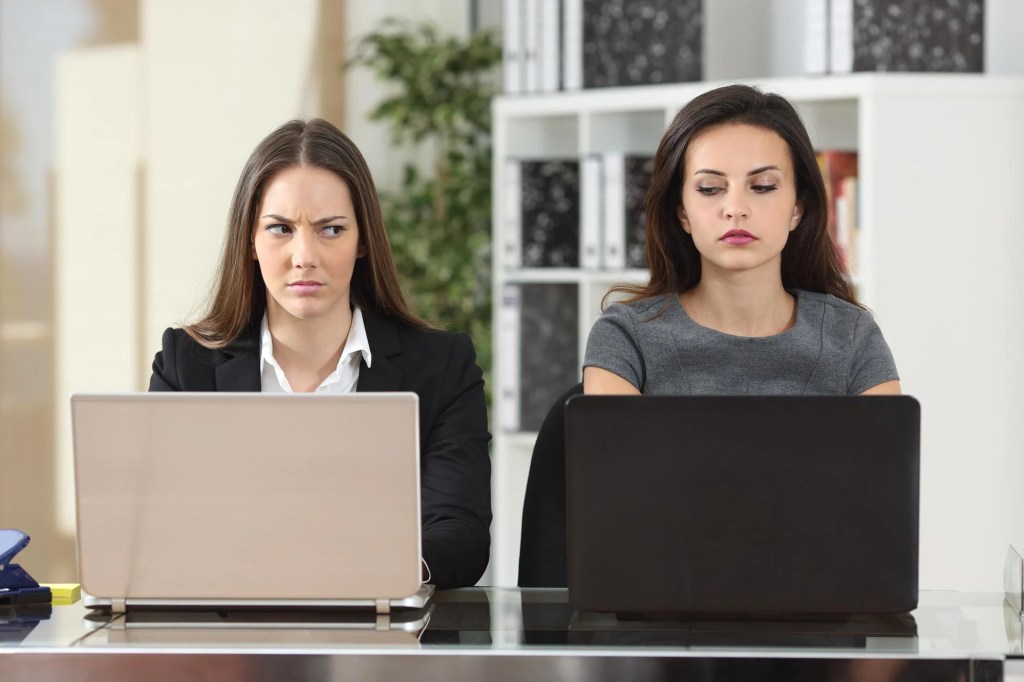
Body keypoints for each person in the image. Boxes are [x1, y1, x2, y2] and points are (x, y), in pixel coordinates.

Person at [148, 118, 490, 589]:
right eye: (280, 228)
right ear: (250, 240)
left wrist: (374, 572)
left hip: (381, 623)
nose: (304, 255)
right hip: (232, 623)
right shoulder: (187, 365)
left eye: (330, 229)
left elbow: (461, 534)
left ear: (363, 240)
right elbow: (161, 532)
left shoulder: (442, 365)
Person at [584, 84, 900, 396]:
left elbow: (888, 433)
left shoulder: (851, 336)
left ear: (797, 209)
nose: (736, 209)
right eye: (709, 188)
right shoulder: (626, 337)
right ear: (682, 213)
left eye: (762, 186)